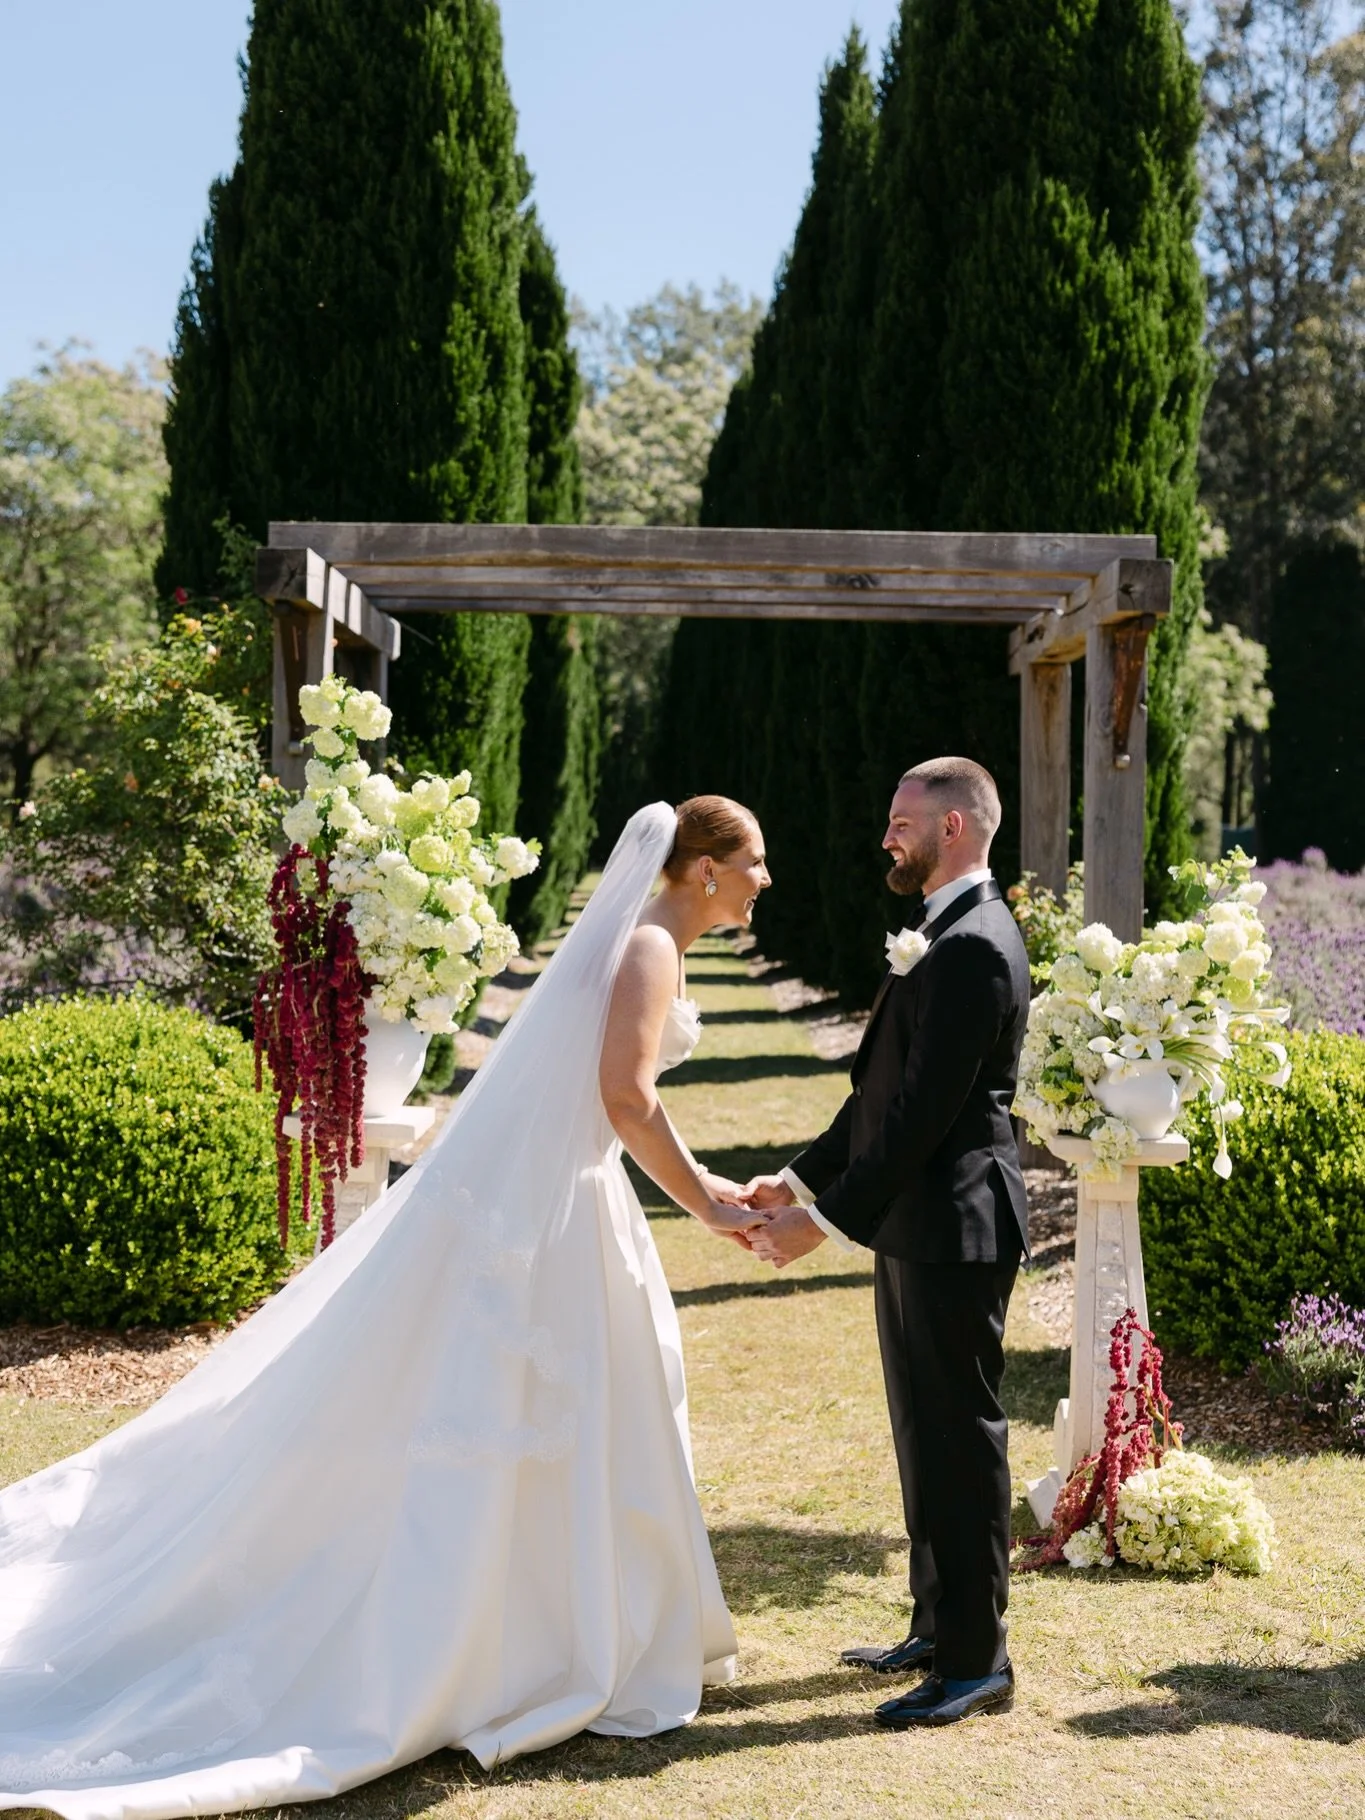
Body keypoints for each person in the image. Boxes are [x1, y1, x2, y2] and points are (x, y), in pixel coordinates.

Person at [0, 798, 769, 1820]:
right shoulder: (649, 949)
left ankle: (555, 1627)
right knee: (530, 1427)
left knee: (565, 1426)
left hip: (567, 1201)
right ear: (705, 868)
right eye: (756, 860)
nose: (769, 877)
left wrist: (708, 1181)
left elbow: (608, 1103)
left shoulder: (646, 942)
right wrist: (708, 1201)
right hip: (561, 1215)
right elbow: (625, 1098)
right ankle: (522, 1641)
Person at [743, 757, 1031, 1730]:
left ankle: (976, 1660)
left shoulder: (980, 946)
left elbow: (920, 1120)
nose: (886, 835)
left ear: (954, 826)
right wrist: (794, 1177)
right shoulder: (935, 934)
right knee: (922, 1437)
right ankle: (935, 1624)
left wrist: (815, 1223)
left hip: (959, 1226)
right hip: (916, 1224)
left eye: (901, 819)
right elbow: (876, 1094)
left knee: (961, 1441)